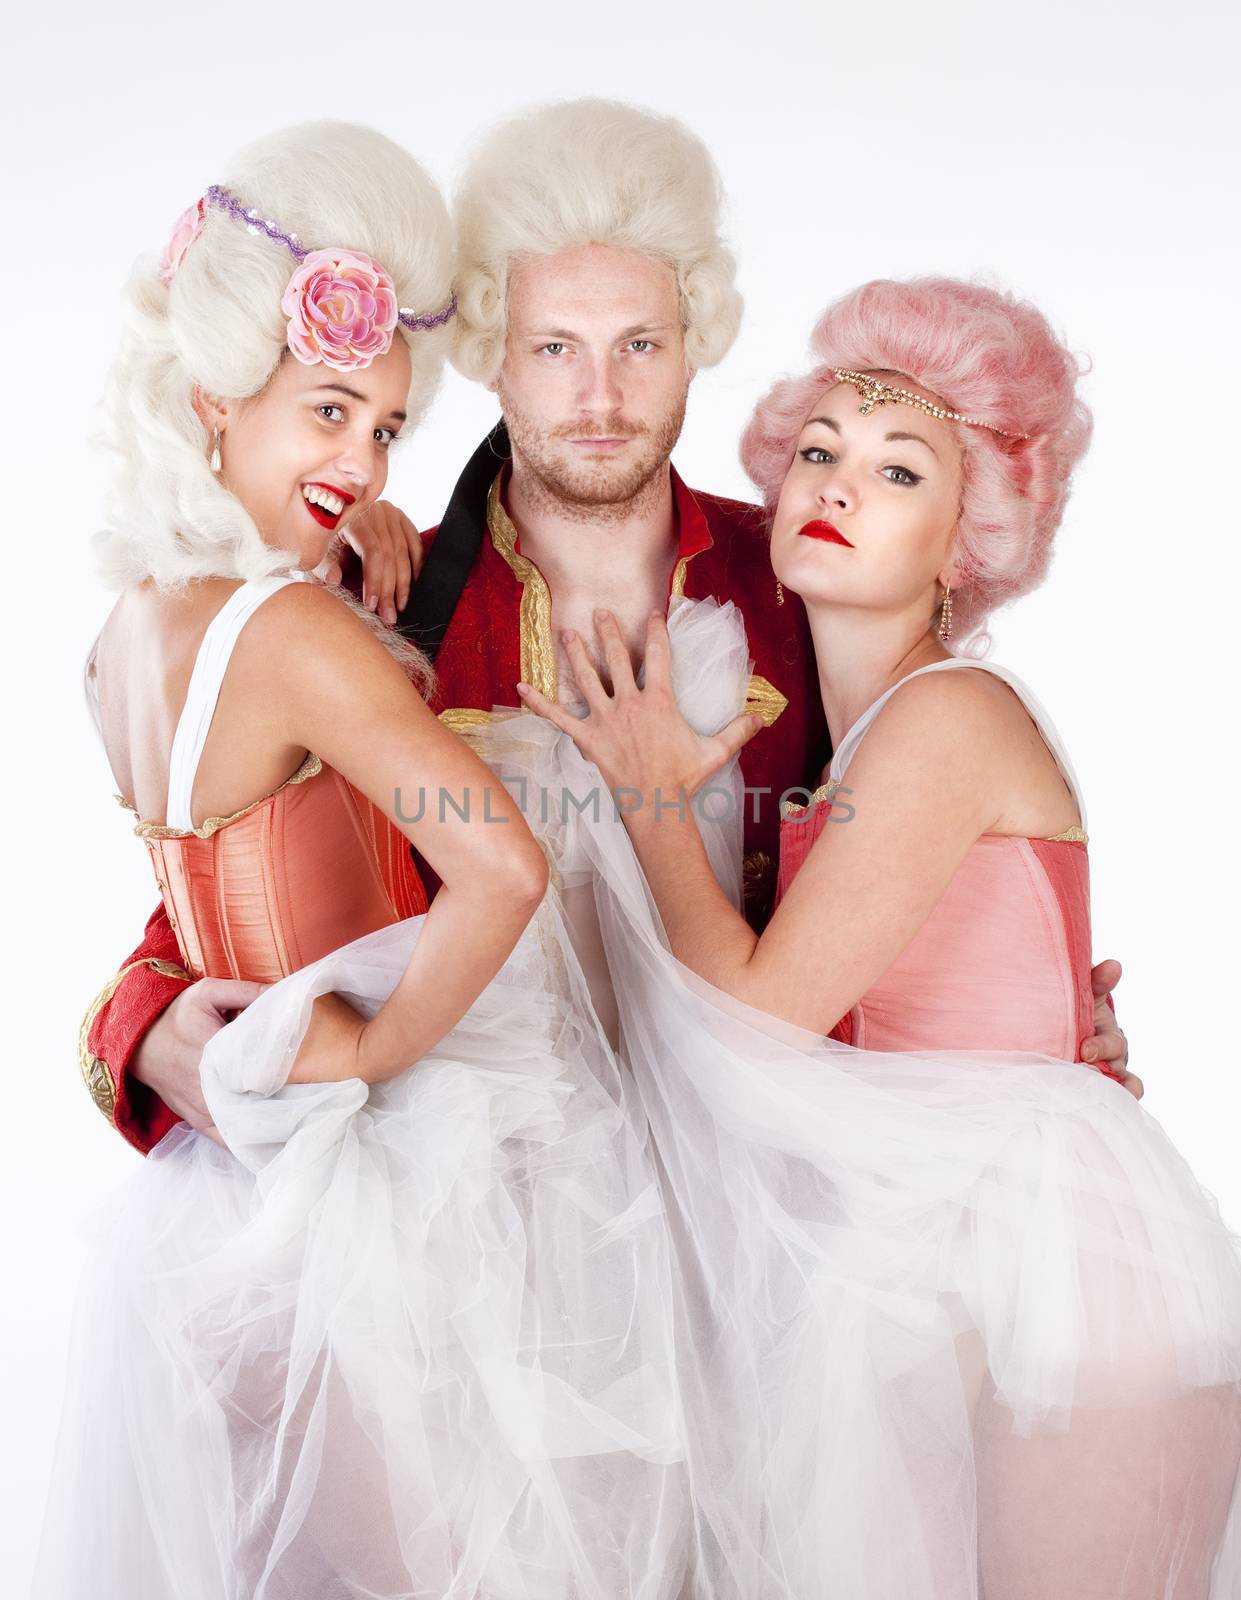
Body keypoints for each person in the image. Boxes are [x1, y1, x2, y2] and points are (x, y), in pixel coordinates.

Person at [80, 99, 1135, 1155]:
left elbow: (927, 856)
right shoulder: (378, 597)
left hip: (763, 1224)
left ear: (694, 348)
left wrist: (1031, 1042)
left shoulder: (805, 586)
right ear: (493, 355)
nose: (599, 395)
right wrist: (141, 1028)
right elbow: (226, 876)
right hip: (484, 1233)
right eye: (552, 347)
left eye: (639, 343)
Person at [39, 122, 686, 1598]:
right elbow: (506, 872)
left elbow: (227, 887)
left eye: (387, 426)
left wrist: (334, 527)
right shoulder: (297, 632)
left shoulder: (126, 634)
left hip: (224, 1203)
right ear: (211, 401)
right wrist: (383, 1043)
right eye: (331, 410)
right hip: (390, 1184)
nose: (364, 457)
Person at [522, 276, 1241, 1597]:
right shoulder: (859, 730)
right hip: (932, 1253)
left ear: (969, 539)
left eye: (899, 469)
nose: (838, 488)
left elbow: (754, 1015)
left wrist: (650, 799)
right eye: (818, 452)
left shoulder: (943, 720)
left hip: (1042, 1273)